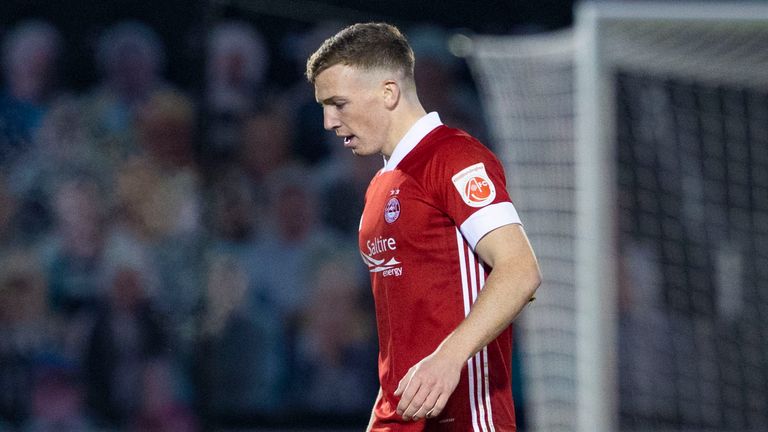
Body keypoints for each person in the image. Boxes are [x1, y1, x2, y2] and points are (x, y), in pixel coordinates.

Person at [306, 23, 541, 431]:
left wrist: (449, 357)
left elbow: (520, 271)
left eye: (338, 103)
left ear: (388, 93)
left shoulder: (455, 157)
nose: (328, 121)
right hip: (399, 418)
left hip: (466, 417)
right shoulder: (381, 184)